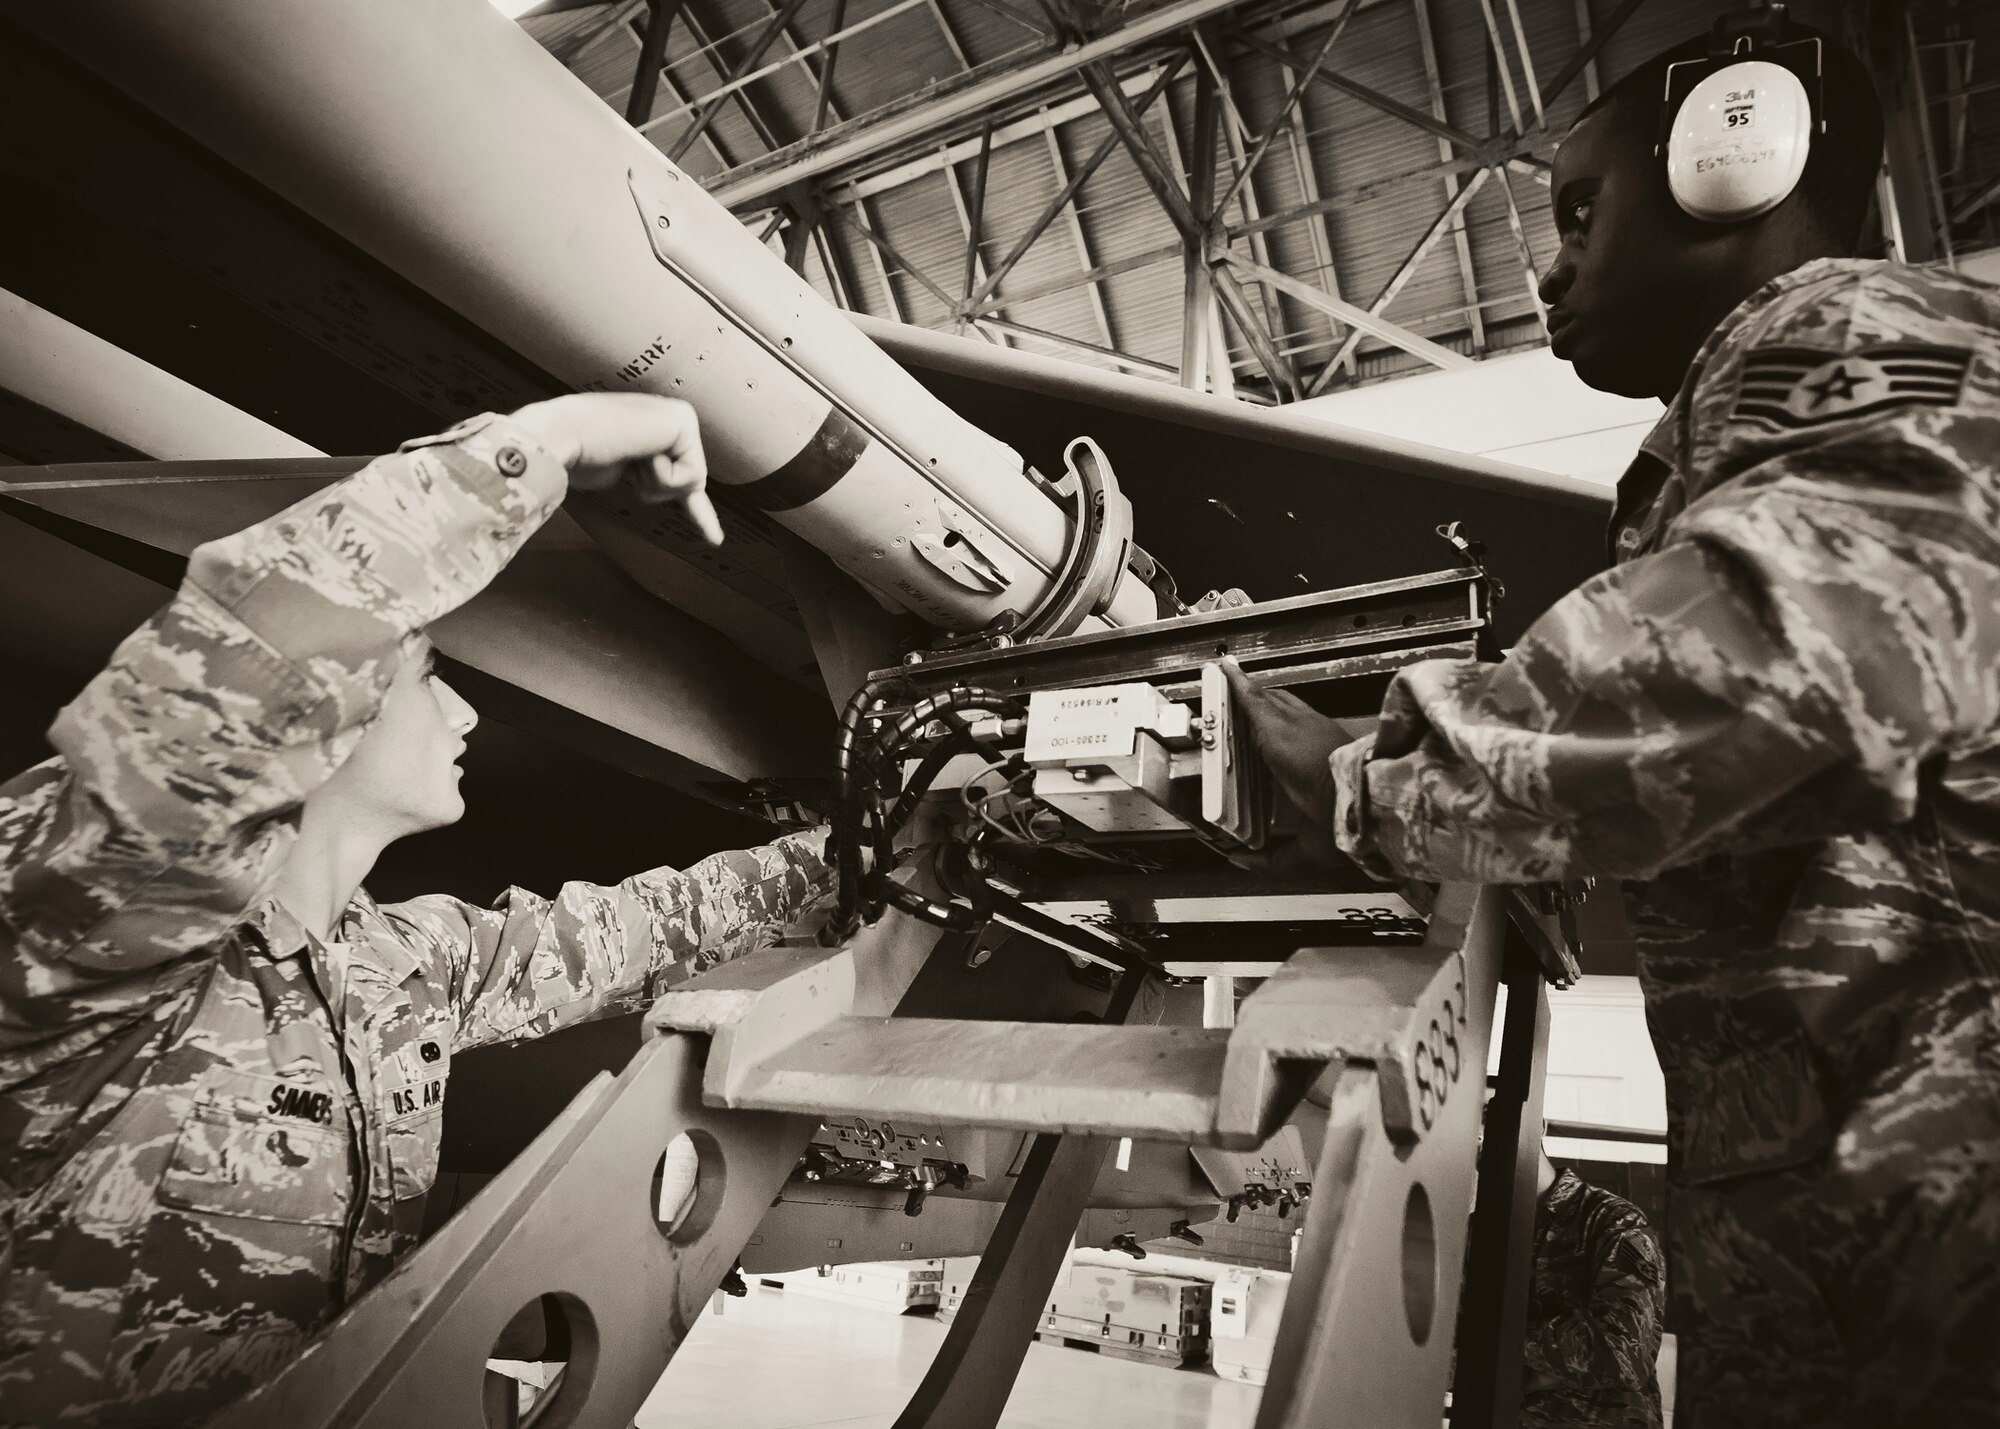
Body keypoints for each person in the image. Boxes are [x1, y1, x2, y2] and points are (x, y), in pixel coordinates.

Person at [1228, 21, 2000, 1429]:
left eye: (1585, 210)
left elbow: (1788, 656)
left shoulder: (1852, 337)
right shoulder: (1754, 422)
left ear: (1735, 154)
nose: (1551, 264)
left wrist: (1357, 776)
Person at [0, 394, 833, 1425]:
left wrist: (856, 847)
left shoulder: (402, 966)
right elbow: (215, 701)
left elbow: (648, 926)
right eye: (433, 676)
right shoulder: (103, 952)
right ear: (332, 716)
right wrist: (537, 449)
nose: (466, 709)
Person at [1522, 1149, 1665, 1429]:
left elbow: (1623, 1350)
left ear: (1538, 1126)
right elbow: (1448, 1351)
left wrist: (1506, 1353)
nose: (1477, 1134)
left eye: (1485, 1116)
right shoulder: (1477, 1232)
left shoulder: (1615, 1219)